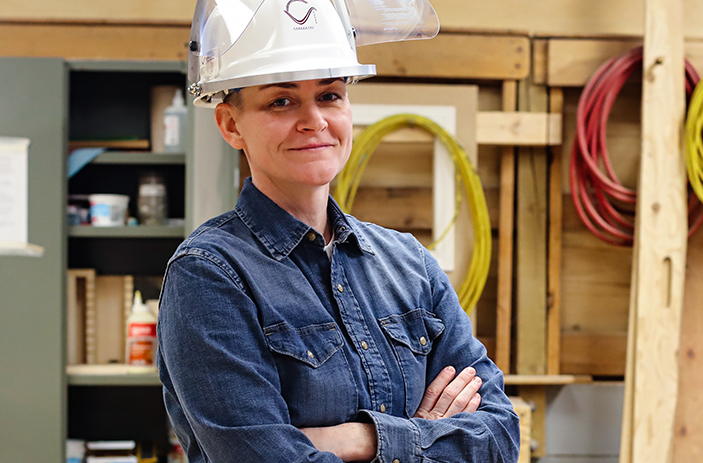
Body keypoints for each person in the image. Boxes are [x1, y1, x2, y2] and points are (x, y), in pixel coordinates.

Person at [156, 0, 520, 461]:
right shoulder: (210, 275)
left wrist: (362, 439)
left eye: (329, 95)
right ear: (231, 125)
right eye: (281, 100)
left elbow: (500, 437)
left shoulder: (409, 265)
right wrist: (423, 433)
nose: (315, 121)